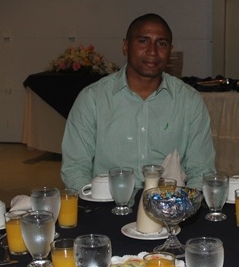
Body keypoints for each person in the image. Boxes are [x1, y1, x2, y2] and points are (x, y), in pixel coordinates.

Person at [61, 13, 216, 190]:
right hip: (106, 201)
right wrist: (92, 201)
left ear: (170, 51)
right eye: (143, 41)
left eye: (162, 44)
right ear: (125, 47)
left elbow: (201, 169)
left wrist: (185, 202)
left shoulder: (189, 101)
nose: (152, 51)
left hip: (170, 202)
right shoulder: (93, 99)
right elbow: (75, 169)